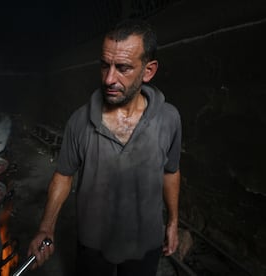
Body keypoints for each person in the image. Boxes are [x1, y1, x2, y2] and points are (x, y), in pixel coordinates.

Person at [27, 19, 182, 276]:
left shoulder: (169, 119)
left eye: (123, 68)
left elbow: (171, 172)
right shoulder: (79, 120)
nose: (110, 78)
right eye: (104, 65)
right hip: (93, 243)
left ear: (148, 71)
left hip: (146, 243)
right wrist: (46, 227)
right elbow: (64, 176)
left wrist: (173, 222)